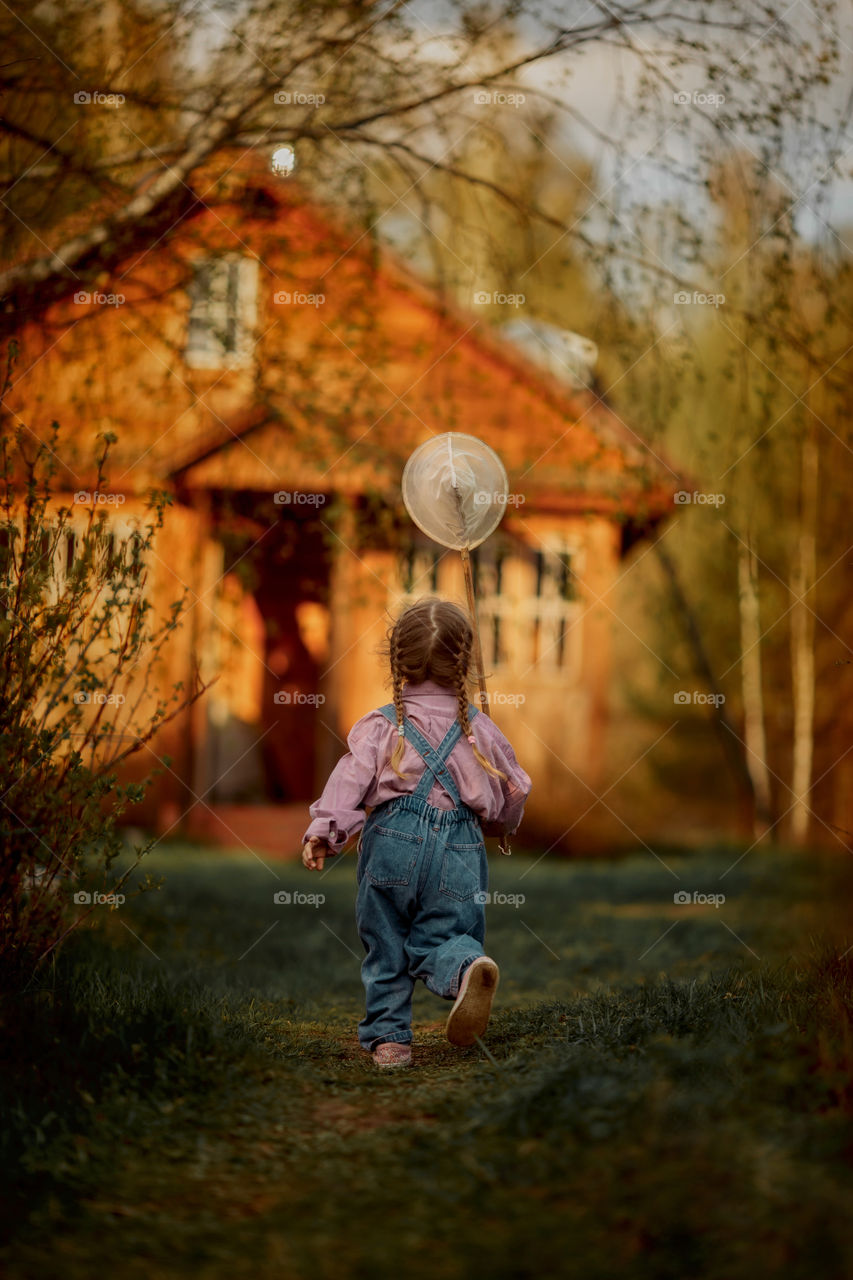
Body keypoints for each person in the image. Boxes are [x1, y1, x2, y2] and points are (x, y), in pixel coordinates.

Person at [301, 596, 532, 1069]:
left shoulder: (382, 726)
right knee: (445, 934)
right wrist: (501, 824)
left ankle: (390, 1042)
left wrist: (326, 830)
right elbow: (516, 786)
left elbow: (350, 778)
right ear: (464, 663)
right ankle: (465, 968)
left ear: (397, 661)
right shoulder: (479, 728)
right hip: (461, 849)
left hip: (392, 845)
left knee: (386, 941)